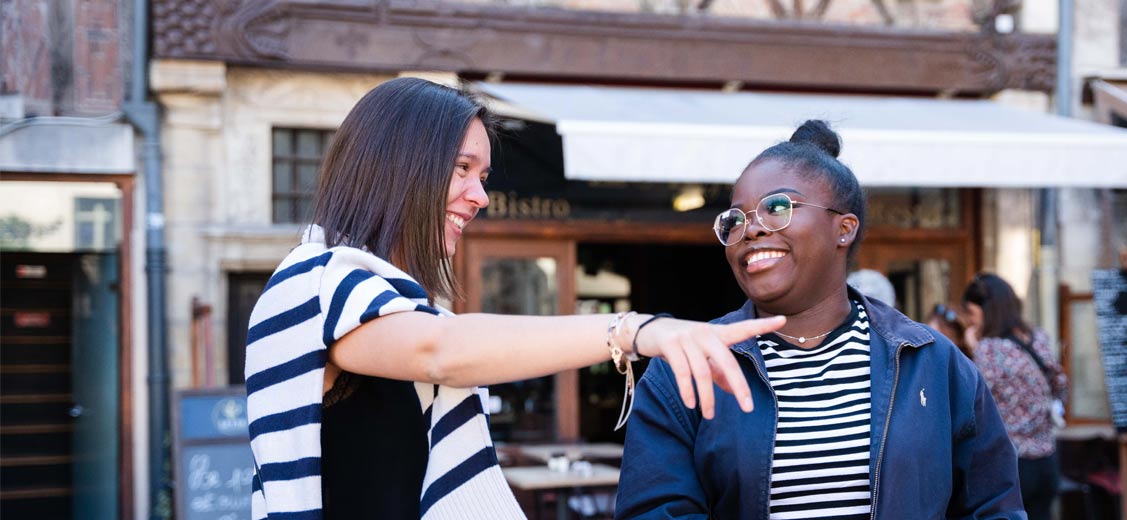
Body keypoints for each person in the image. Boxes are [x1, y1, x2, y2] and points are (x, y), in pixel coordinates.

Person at [244, 77, 785, 520]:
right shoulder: (312, 283)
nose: (480, 197)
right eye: (462, 169)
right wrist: (631, 329)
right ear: (396, 166)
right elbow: (442, 351)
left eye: (482, 176)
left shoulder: (385, 298)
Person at [616, 120, 1024, 519]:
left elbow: (993, 506)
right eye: (736, 220)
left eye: (777, 208)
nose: (751, 230)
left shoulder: (932, 363)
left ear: (843, 229)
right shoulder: (683, 368)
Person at [960, 273, 1068, 520]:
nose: (970, 322)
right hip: (1047, 460)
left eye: (972, 314)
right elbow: (1061, 387)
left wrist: (974, 348)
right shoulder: (1039, 338)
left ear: (986, 311)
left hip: (1014, 464)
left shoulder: (989, 349)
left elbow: (975, 404)